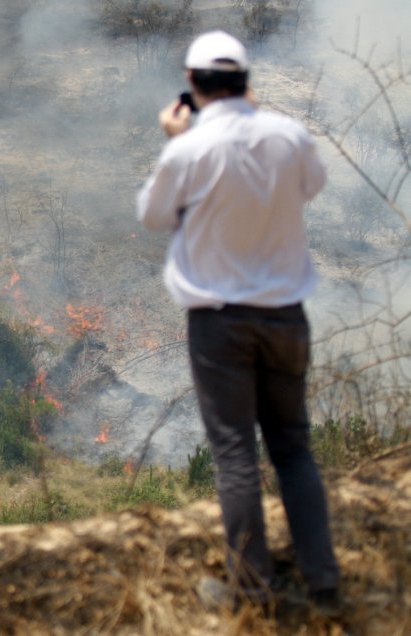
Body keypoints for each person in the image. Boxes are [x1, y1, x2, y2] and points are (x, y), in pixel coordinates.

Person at [135, 31, 341, 614]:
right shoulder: (288, 135)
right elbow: (314, 185)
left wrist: (176, 138)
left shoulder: (189, 148)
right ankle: (323, 584)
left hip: (220, 324)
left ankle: (251, 593)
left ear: (193, 86)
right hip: (285, 318)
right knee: (295, 449)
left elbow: (152, 215)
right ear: (246, 82)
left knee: (235, 456)